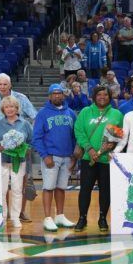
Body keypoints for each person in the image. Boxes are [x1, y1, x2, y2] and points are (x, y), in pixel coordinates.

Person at [73, 85, 124, 231]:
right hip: (88, 158)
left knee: (105, 190)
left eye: (106, 95)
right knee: (85, 190)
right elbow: (79, 131)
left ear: (110, 97)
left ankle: (102, 218)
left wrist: (112, 145)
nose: (102, 97)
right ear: (94, 97)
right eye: (99, 94)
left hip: (106, 160)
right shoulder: (85, 112)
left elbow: (119, 135)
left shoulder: (117, 114)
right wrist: (89, 148)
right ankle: (82, 218)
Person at [33, 83, 78, 230]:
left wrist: (74, 157)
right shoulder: (42, 113)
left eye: (59, 93)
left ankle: (60, 216)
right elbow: (37, 138)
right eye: (54, 93)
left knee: (61, 188)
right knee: (48, 187)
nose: (57, 95)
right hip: (51, 157)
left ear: (63, 95)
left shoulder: (70, 113)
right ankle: (47, 218)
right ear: (49, 96)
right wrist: (45, 156)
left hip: (67, 157)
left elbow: (75, 136)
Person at [0, 96, 33, 230]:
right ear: (3, 109)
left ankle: (15, 217)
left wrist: (24, 149)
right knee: (2, 190)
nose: (9, 109)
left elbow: (31, 143)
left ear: (17, 108)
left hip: (19, 161)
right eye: (6, 107)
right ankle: (2, 217)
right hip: (2, 161)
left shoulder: (25, 124)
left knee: (17, 189)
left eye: (12, 107)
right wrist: (1, 147)